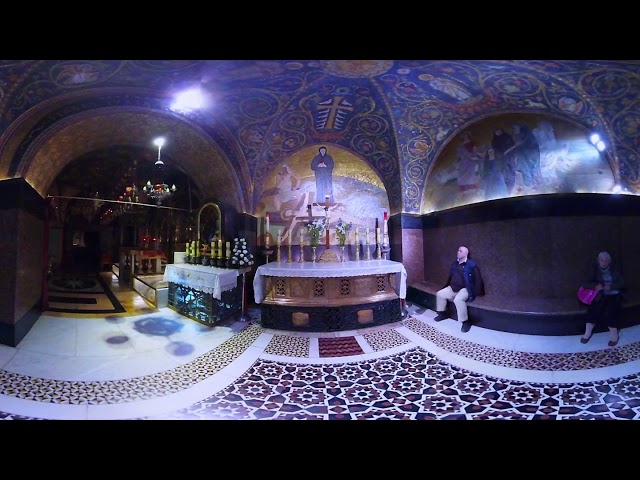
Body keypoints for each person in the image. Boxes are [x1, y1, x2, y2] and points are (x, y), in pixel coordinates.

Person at [433, 245, 484, 333]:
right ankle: (442, 314)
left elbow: (478, 279)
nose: (458, 252)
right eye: (458, 251)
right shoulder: (455, 264)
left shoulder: (471, 265)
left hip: (465, 289)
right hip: (453, 287)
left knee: (458, 300)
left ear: (466, 253)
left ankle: (465, 321)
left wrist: (477, 292)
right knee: (440, 294)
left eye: (460, 251)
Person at [580, 251, 624, 347]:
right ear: (598, 261)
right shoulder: (594, 270)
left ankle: (614, 336)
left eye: (606, 261)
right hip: (600, 295)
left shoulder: (614, 270)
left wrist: (611, 287)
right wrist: (595, 286)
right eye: (602, 260)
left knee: (610, 312)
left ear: (609, 262)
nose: (604, 263)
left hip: (613, 295)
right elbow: (585, 283)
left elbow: (621, 283)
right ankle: (587, 333)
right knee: (592, 311)